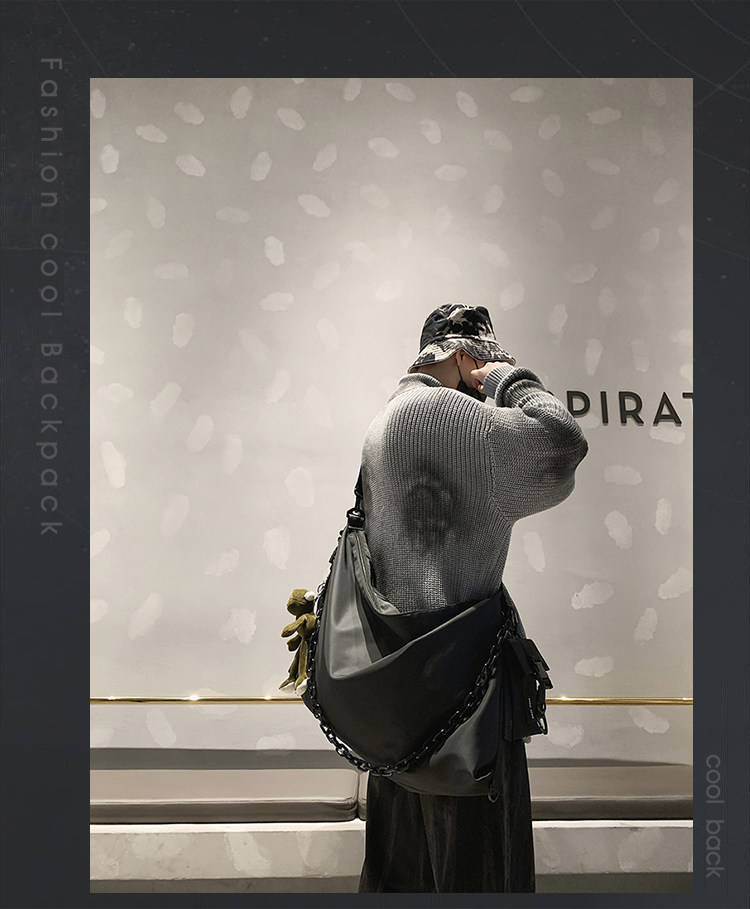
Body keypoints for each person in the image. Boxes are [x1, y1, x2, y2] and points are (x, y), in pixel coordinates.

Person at [356, 303, 589, 893]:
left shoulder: (386, 420)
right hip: (464, 708)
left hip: (397, 701)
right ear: (464, 356)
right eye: (483, 360)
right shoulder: (447, 415)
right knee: (481, 873)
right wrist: (509, 378)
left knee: (402, 874)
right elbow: (562, 443)